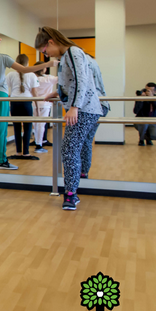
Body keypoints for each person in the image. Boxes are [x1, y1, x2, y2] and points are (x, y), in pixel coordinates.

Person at [35, 26, 102, 211]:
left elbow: (83, 80)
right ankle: (72, 190)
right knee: (71, 149)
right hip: (84, 108)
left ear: (51, 42)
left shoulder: (73, 52)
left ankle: (71, 194)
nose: (46, 55)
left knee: (69, 149)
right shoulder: (66, 56)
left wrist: (74, 107)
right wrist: (57, 93)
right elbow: (71, 82)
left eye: (45, 51)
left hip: (84, 109)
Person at [0, 32, 53, 170]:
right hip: (0, 95)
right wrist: (48, 63)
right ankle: (1, 161)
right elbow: (25, 69)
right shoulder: (4, 58)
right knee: (1, 129)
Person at [5, 54, 39, 159]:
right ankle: (26, 152)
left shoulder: (10, 75)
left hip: (14, 103)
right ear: (27, 63)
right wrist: (37, 106)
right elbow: (34, 92)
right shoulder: (32, 75)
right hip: (27, 103)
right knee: (28, 128)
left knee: (17, 128)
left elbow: (6, 89)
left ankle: (18, 152)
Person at [82, 54, 109, 178]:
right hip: (100, 104)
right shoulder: (93, 62)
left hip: (92, 105)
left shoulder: (82, 60)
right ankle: (83, 171)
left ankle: (82, 172)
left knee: (83, 140)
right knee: (86, 139)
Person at [32, 64, 57, 153]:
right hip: (45, 104)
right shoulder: (49, 79)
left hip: (34, 103)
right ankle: (39, 145)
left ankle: (38, 142)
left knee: (36, 124)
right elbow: (61, 79)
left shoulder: (33, 78)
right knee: (41, 125)